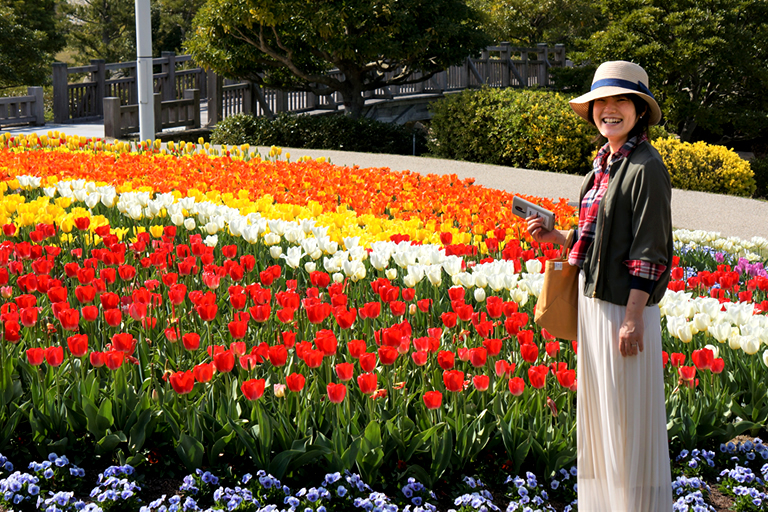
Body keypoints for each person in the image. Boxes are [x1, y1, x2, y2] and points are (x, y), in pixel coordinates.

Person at [526, 61, 674, 511]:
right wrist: (558, 237)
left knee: (626, 421)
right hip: (594, 304)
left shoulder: (646, 167)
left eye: (620, 101)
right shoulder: (603, 165)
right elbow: (599, 239)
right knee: (600, 417)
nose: (609, 109)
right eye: (601, 102)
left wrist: (632, 319)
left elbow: (650, 250)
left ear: (640, 111)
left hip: (622, 310)